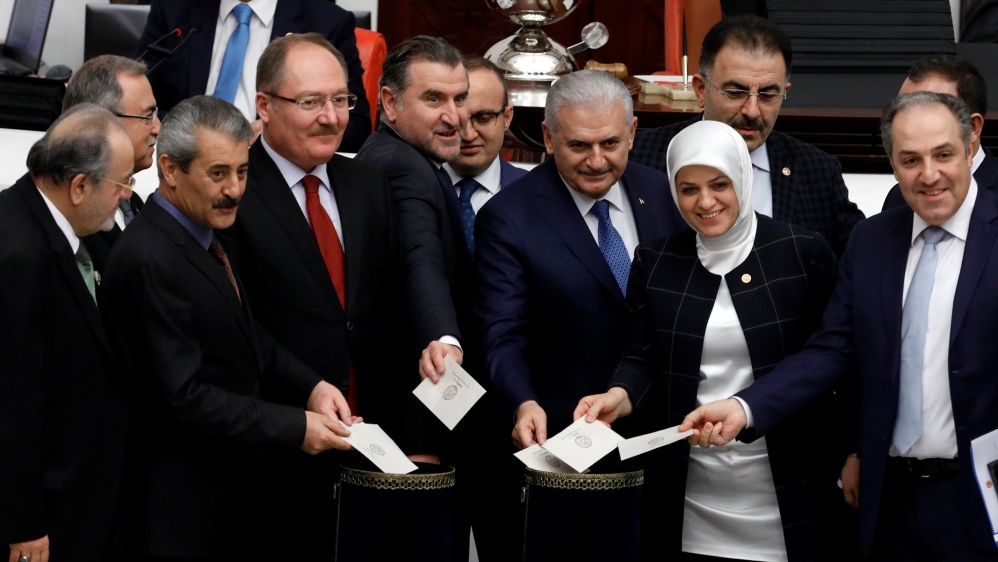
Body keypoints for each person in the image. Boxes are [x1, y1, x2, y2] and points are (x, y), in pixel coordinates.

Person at [682, 92, 998, 561]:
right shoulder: (872, 241)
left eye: (943, 155)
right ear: (892, 162)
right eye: (910, 159)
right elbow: (832, 349)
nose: (928, 175)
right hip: (891, 501)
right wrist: (746, 406)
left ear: (972, 145)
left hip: (985, 500)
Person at [99, 95, 356, 560]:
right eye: (218, 173)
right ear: (170, 170)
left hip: (228, 502)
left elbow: (246, 334)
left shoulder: (206, 236)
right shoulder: (149, 259)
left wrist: (312, 386)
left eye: (242, 172)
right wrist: (295, 426)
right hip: (178, 513)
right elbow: (184, 397)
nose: (236, 189)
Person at [574, 120, 842, 561]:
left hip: (788, 480)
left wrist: (852, 451)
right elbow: (642, 355)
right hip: (689, 488)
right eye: (688, 189)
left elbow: (832, 360)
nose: (705, 202)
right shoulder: (657, 260)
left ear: (742, 177)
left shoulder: (801, 252)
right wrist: (619, 396)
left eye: (719, 184)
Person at [212, 33, 415, 559]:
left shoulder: (367, 183)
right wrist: (306, 390)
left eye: (342, 99)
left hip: (370, 449)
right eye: (310, 103)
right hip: (273, 454)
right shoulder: (233, 193)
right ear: (264, 106)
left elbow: (385, 308)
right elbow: (236, 324)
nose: (331, 117)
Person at [475, 69, 687, 450]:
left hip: (663, 428)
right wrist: (522, 403)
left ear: (633, 132)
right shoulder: (509, 216)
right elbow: (502, 332)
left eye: (610, 143)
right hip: (563, 434)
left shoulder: (663, 193)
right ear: (548, 137)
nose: (596, 161)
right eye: (579, 146)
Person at [0, 104, 134, 562]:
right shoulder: (19, 256)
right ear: (80, 186)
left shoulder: (33, 218)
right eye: (122, 184)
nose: (125, 197)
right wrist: (23, 523)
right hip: (39, 523)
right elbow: (14, 403)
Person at [630, 15, 863, 256]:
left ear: (785, 92)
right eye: (735, 92)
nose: (752, 111)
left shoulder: (817, 172)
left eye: (768, 95)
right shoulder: (641, 158)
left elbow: (857, 264)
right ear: (701, 90)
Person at [439, 55, 527, 562]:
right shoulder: (411, 193)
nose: (468, 132)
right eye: (456, 117)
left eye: (484, 117)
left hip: (513, 422)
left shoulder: (541, 199)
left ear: (509, 116)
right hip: (430, 419)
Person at [353, 36, 470, 412]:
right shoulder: (403, 167)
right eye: (434, 99)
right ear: (390, 102)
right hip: (407, 398)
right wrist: (443, 335)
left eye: (460, 99)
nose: (454, 118)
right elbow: (420, 255)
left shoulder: (392, 152)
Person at [133, 0, 371, 151]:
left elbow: (357, 127)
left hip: (270, 167)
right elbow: (131, 96)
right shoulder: (174, 10)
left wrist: (275, 134)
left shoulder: (326, 22)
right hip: (183, 156)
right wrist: (182, 129)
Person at [63, 55, 161, 270]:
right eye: (148, 117)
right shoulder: (73, 218)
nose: (157, 128)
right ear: (99, 121)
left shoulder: (131, 200)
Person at [882, 55, 997, 211]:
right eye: (903, 109)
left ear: (972, 128)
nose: (910, 122)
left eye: (930, 111)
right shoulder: (898, 198)